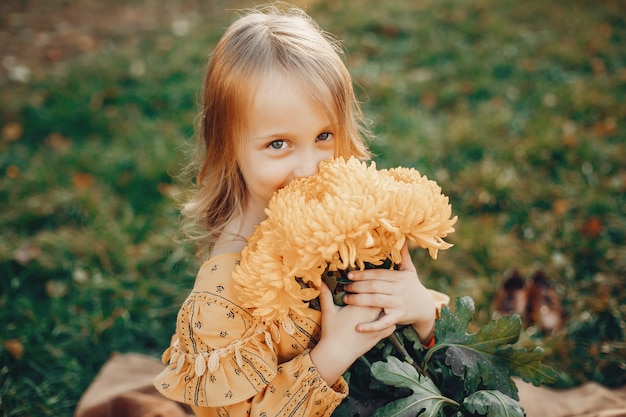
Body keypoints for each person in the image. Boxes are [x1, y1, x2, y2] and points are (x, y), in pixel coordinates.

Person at [153, 3, 447, 416]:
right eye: (278, 144)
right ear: (228, 148)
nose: (310, 167)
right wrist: (332, 354)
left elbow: (424, 359)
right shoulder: (224, 291)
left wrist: (421, 313)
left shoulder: (353, 227)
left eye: (324, 135)